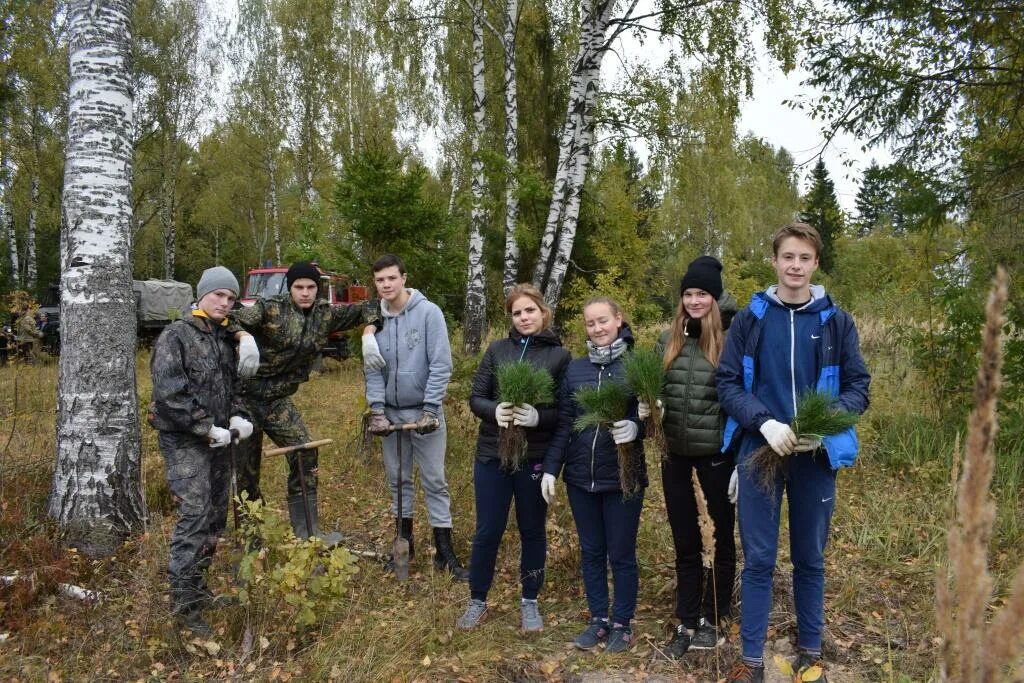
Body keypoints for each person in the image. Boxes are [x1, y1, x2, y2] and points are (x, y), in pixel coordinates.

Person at [716, 223, 870, 683]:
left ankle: (810, 653)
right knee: (759, 559)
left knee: (810, 559)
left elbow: (858, 388)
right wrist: (763, 422)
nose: (796, 266)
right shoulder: (751, 319)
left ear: (815, 263)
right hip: (761, 451)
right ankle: (751, 661)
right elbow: (727, 383)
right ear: (775, 261)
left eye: (804, 258)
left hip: (814, 457)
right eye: (788, 257)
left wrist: (823, 430)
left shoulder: (836, 323)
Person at [230, 260, 380, 540]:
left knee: (305, 451)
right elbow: (232, 317)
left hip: (278, 401)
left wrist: (369, 332)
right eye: (299, 287)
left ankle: (308, 532)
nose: (305, 292)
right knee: (245, 472)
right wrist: (244, 336)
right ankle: (250, 539)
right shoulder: (270, 307)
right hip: (244, 400)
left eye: (311, 287)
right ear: (290, 288)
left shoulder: (324, 314)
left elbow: (367, 308)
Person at [456, 283, 571, 631]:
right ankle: (478, 599)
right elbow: (476, 397)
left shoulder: (559, 356)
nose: (523, 317)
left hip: (533, 456)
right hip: (492, 454)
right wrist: (496, 410)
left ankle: (530, 601)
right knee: (488, 529)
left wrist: (538, 417)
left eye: (529, 310)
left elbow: (564, 412)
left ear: (542, 312)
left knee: (532, 529)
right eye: (517, 312)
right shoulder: (497, 350)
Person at [148, 266, 255, 635]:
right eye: (218, 295)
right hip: (185, 441)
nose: (225, 303)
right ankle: (183, 606)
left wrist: (239, 416)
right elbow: (168, 394)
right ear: (201, 295)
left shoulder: (226, 338)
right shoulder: (175, 336)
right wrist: (204, 426)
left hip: (221, 441)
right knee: (193, 517)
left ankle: (199, 590)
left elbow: (238, 385)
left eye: (230, 298)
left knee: (214, 518)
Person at [541, 296, 646, 653]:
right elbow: (566, 424)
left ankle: (622, 622)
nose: (598, 328)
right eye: (590, 323)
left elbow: (654, 421)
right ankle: (599, 618)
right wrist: (552, 469)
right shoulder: (576, 369)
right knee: (591, 551)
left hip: (622, 477)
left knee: (621, 552)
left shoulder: (636, 366)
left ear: (618, 319)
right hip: (581, 480)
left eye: (603, 321)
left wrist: (636, 426)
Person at [647, 255, 738, 658]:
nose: (694, 300)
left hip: (716, 458)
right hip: (676, 457)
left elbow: (738, 398)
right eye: (688, 294)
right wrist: (650, 408)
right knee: (685, 540)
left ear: (715, 298)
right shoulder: (669, 340)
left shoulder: (730, 340)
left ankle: (713, 616)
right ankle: (686, 618)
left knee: (718, 541)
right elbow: (655, 389)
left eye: (702, 294)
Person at [364, 254, 469, 580]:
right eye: (380, 280)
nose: (386, 285)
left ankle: (445, 552)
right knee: (398, 482)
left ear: (404, 278)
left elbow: (441, 364)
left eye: (391, 278)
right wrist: (378, 411)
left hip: (426, 414)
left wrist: (429, 408)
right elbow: (373, 371)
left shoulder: (428, 314)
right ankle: (403, 548)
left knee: (434, 480)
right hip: (391, 415)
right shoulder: (375, 321)